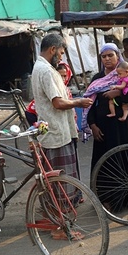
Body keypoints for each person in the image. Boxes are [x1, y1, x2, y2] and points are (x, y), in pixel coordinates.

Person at [83, 42, 128, 211]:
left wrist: (118, 92)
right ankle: (107, 199)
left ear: (118, 56)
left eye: (111, 55)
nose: (107, 59)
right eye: (104, 56)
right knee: (106, 163)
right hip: (105, 130)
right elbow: (90, 103)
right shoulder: (97, 79)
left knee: (127, 159)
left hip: (127, 128)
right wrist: (92, 124)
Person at [31, 33, 93, 182]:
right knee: (60, 179)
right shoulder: (46, 71)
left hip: (53, 129)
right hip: (56, 132)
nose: (61, 58)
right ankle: (60, 205)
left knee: (54, 178)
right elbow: (58, 103)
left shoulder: (41, 67)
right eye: (61, 53)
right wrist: (79, 102)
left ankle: (55, 204)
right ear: (53, 49)